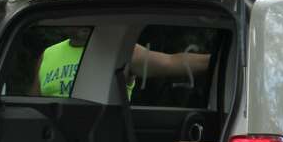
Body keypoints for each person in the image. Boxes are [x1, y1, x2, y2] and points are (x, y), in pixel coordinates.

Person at [33, 26, 211, 98]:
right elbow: (33, 107)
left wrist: (215, 61)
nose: (83, 23)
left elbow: (171, 62)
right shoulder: (48, 54)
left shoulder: (121, 50)